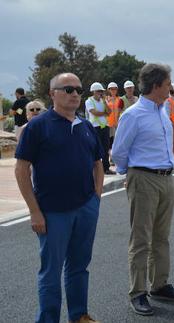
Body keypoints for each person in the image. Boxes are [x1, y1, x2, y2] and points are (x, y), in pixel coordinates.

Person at [15, 73, 103, 323]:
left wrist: (95, 198)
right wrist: (34, 211)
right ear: (52, 93)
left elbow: (98, 163)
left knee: (79, 267)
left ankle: (79, 316)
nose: (75, 93)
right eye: (68, 89)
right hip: (52, 212)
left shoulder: (85, 126)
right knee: (51, 272)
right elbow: (21, 170)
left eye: (78, 89)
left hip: (86, 208)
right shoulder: (38, 126)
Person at [111, 63, 174, 316]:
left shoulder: (162, 110)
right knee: (141, 238)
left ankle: (159, 284)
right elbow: (119, 152)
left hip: (166, 178)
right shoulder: (133, 115)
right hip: (143, 178)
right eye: (167, 84)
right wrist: (131, 175)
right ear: (156, 86)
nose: (170, 89)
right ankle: (138, 291)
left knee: (161, 236)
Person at [86, 82, 116, 175]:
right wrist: (104, 113)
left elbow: (109, 111)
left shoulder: (104, 101)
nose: (101, 93)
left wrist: (104, 102)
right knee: (94, 148)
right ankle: (93, 168)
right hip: (95, 127)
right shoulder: (89, 101)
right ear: (94, 91)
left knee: (106, 148)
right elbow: (94, 112)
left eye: (101, 91)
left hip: (104, 127)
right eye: (99, 91)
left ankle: (106, 168)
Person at [105, 82, 124, 149]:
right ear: (108, 90)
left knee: (117, 141)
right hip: (108, 123)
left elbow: (122, 110)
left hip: (118, 123)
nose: (113, 90)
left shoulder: (120, 99)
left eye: (115, 89)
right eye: (111, 89)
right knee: (109, 141)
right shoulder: (106, 99)